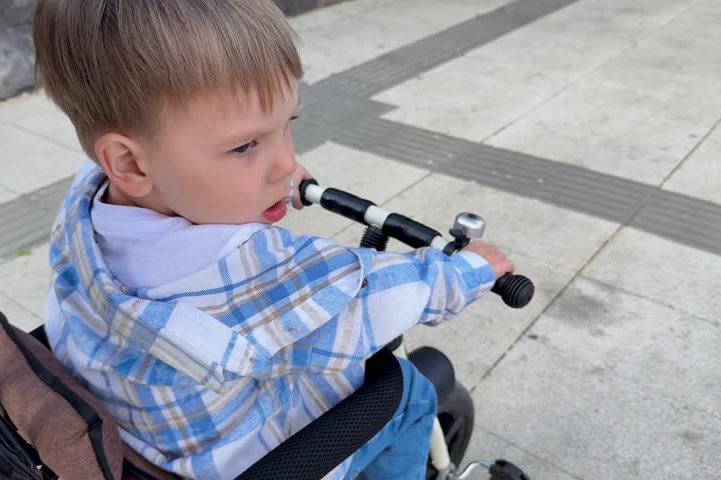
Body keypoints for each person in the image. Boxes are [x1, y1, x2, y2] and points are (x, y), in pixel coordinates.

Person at [35, 1, 515, 478]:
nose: (286, 163)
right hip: (255, 453)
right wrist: (464, 271)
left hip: (152, 430)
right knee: (408, 393)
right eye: (245, 146)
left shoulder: (88, 200)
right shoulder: (246, 269)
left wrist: (257, 168)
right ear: (132, 164)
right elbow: (371, 297)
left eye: (287, 126)